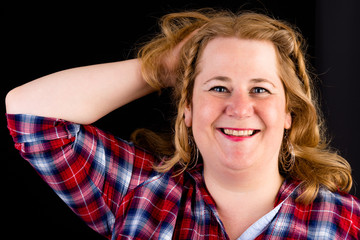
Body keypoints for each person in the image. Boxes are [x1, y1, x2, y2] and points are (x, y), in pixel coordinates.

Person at [5, 9, 360, 240]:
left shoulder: (345, 222)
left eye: (260, 89)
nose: (239, 108)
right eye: (218, 87)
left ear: (289, 114)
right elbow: (30, 113)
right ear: (187, 108)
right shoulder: (142, 193)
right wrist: (160, 68)